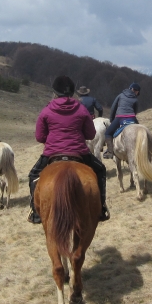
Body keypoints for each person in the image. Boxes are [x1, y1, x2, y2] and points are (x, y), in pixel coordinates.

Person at [27, 75, 110, 224]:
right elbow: (91, 134)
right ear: (72, 92)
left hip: (52, 152)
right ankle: (101, 208)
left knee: (33, 175)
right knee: (100, 170)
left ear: (55, 92)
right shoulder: (82, 109)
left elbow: (39, 137)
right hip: (79, 152)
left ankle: (35, 213)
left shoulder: (46, 110)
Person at [102, 83, 140, 159]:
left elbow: (113, 108)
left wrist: (112, 120)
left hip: (120, 118)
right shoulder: (135, 99)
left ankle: (110, 152)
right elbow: (135, 112)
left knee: (108, 133)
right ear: (137, 92)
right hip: (131, 118)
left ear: (130, 88)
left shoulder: (120, 95)